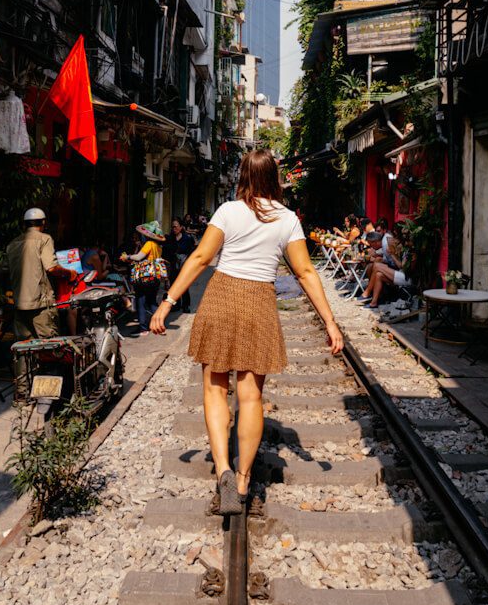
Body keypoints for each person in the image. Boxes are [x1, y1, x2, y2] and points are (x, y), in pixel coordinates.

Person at [149, 149, 344, 515]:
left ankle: (222, 468)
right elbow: (305, 273)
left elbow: (200, 258)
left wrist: (168, 301)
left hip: (222, 296)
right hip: (259, 303)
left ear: (242, 176)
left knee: (214, 387)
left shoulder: (228, 211)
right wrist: (330, 322)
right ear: (275, 178)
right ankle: (241, 480)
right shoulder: (288, 219)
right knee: (251, 397)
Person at [6, 208, 77, 399]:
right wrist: (69, 273)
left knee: (22, 349)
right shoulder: (44, 239)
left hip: (20, 305)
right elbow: (52, 267)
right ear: (43, 223)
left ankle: (22, 394)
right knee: (50, 348)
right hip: (41, 305)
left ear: (24, 224)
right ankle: (49, 396)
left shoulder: (13, 244)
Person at [122, 221, 165, 336]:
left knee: (141, 300)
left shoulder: (149, 244)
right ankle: (159, 324)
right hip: (155, 277)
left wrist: (128, 256)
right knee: (152, 301)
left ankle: (143, 328)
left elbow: (139, 257)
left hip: (145, 277)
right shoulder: (158, 247)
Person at [164, 218, 195, 312]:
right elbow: (166, 252)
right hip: (173, 266)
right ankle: (176, 305)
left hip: (183, 266)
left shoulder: (187, 238)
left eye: (175, 226)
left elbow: (191, 252)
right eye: (172, 227)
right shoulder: (169, 238)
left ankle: (186, 305)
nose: (174, 228)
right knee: (174, 285)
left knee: (184, 286)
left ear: (181, 227)